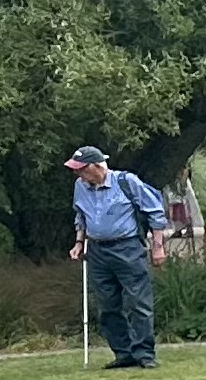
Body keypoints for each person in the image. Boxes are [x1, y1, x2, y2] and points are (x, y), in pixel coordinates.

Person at [63, 147, 169, 368]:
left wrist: (158, 247)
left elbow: (155, 212)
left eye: (81, 170)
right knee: (107, 306)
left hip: (127, 247)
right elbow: (81, 215)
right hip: (97, 251)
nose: (78, 175)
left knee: (138, 302)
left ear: (97, 166)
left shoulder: (126, 181)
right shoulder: (80, 187)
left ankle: (144, 354)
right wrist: (79, 242)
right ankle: (124, 353)